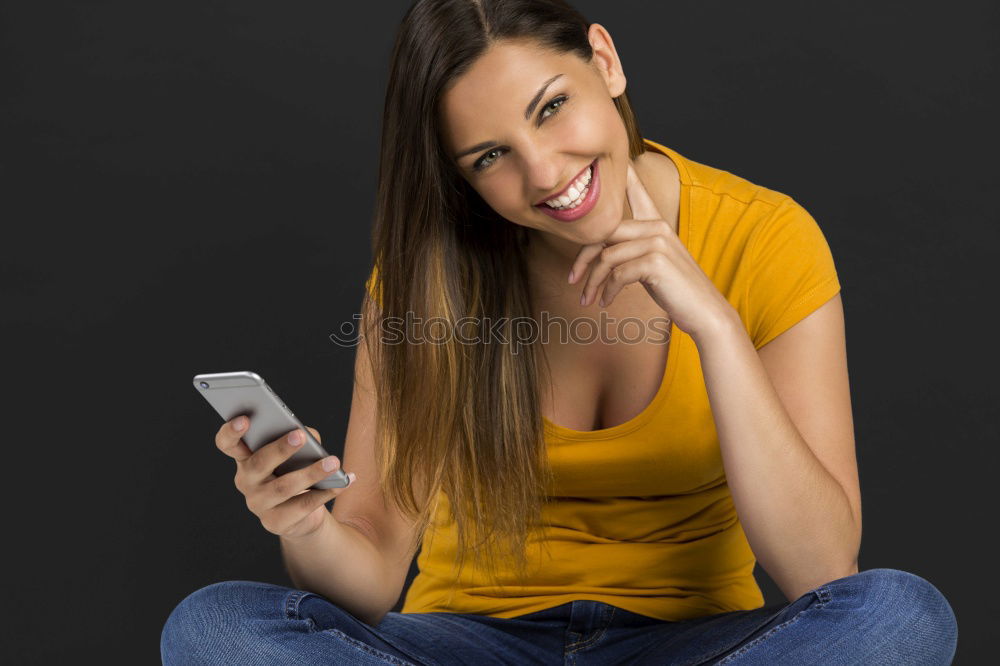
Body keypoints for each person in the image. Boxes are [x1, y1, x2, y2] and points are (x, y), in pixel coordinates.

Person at [161, 1, 958, 663]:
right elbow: (368, 574)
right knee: (214, 628)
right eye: (490, 156)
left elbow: (823, 571)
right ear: (459, 176)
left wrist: (714, 327)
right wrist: (303, 523)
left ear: (604, 62)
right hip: (469, 644)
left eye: (552, 108)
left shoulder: (766, 238)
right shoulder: (427, 282)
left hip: (699, 646)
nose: (545, 173)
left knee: (899, 615)